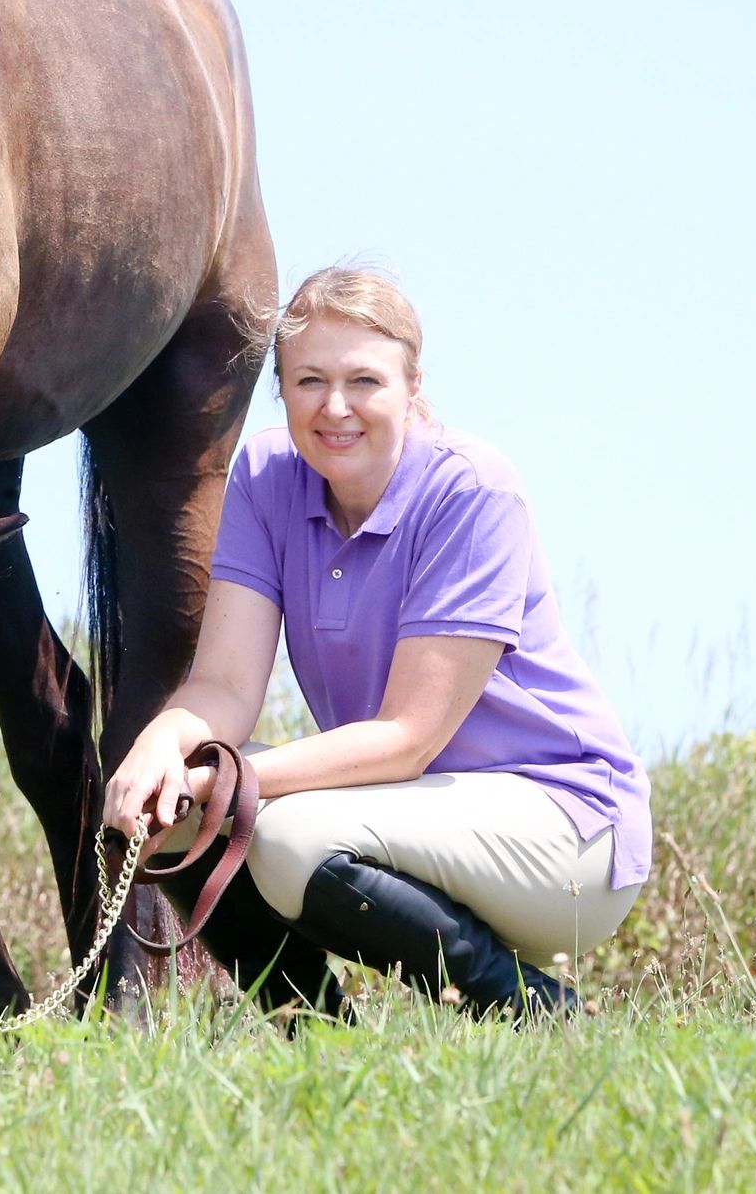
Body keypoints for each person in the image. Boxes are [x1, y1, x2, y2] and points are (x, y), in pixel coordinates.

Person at [104, 263, 651, 1019]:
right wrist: (161, 749)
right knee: (179, 808)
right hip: (409, 814)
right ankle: (321, 1041)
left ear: (413, 386)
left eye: (365, 380)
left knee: (286, 832)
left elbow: (406, 740)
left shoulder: (473, 490)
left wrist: (222, 781)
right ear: (282, 390)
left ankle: (536, 1011)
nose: (335, 408)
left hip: (566, 837)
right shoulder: (266, 476)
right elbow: (224, 688)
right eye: (308, 382)